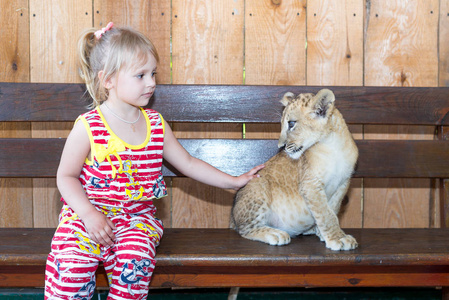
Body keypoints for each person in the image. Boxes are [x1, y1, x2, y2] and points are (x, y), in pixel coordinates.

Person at [44, 22, 264, 300]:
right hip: (86, 216)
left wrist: (234, 181)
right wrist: (89, 215)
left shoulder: (155, 124)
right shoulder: (89, 126)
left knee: (135, 261)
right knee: (71, 266)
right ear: (108, 80)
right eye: (140, 75)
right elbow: (66, 177)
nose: (151, 82)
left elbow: (188, 163)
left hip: (135, 220)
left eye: (153, 73)